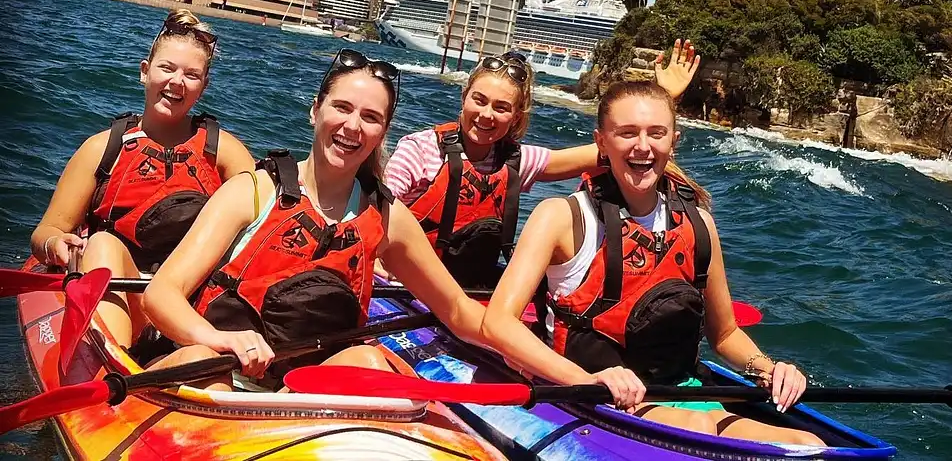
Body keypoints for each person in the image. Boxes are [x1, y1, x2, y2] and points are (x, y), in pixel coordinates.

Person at [140, 48, 649, 408]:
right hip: (214, 371)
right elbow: (161, 294)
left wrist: (580, 378)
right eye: (341, 108)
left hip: (305, 387)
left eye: (371, 117)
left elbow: (463, 315)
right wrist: (217, 340)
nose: (352, 127)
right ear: (316, 111)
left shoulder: (387, 219)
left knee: (369, 358)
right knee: (197, 359)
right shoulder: (252, 191)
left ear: (384, 130)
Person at [480, 80, 825, 445]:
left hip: (685, 394)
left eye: (656, 134)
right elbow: (499, 323)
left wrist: (769, 370)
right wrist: (585, 380)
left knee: (810, 445)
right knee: (697, 429)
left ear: (673, 142)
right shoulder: (561, 217)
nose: (642, 147)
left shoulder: (699, 224)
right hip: (599, 397)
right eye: (627, 133)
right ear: (601, 142)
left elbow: (724, 334)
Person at [382, 39, 701, 288]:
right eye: (478, 100)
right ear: (464, 97)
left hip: (471, 289)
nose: (486, 114)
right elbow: (375, 213)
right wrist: (379, 263)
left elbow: (616, 149)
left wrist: (662, 97)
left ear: (516, 117)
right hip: (405, 285)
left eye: (501, 107)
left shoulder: (519, 160)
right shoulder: (420, 149)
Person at [29, 10, 255, 348]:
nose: (177, 82)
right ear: (144, 72)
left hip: (189, 307)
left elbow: (261, 229)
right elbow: (45, 232)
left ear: (204, 87)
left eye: (192, 75)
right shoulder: (102, 149)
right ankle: (112, 364)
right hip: (125, 295)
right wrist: (55, 245)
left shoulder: (224, 152)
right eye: (167, 68)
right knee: (103, 243)